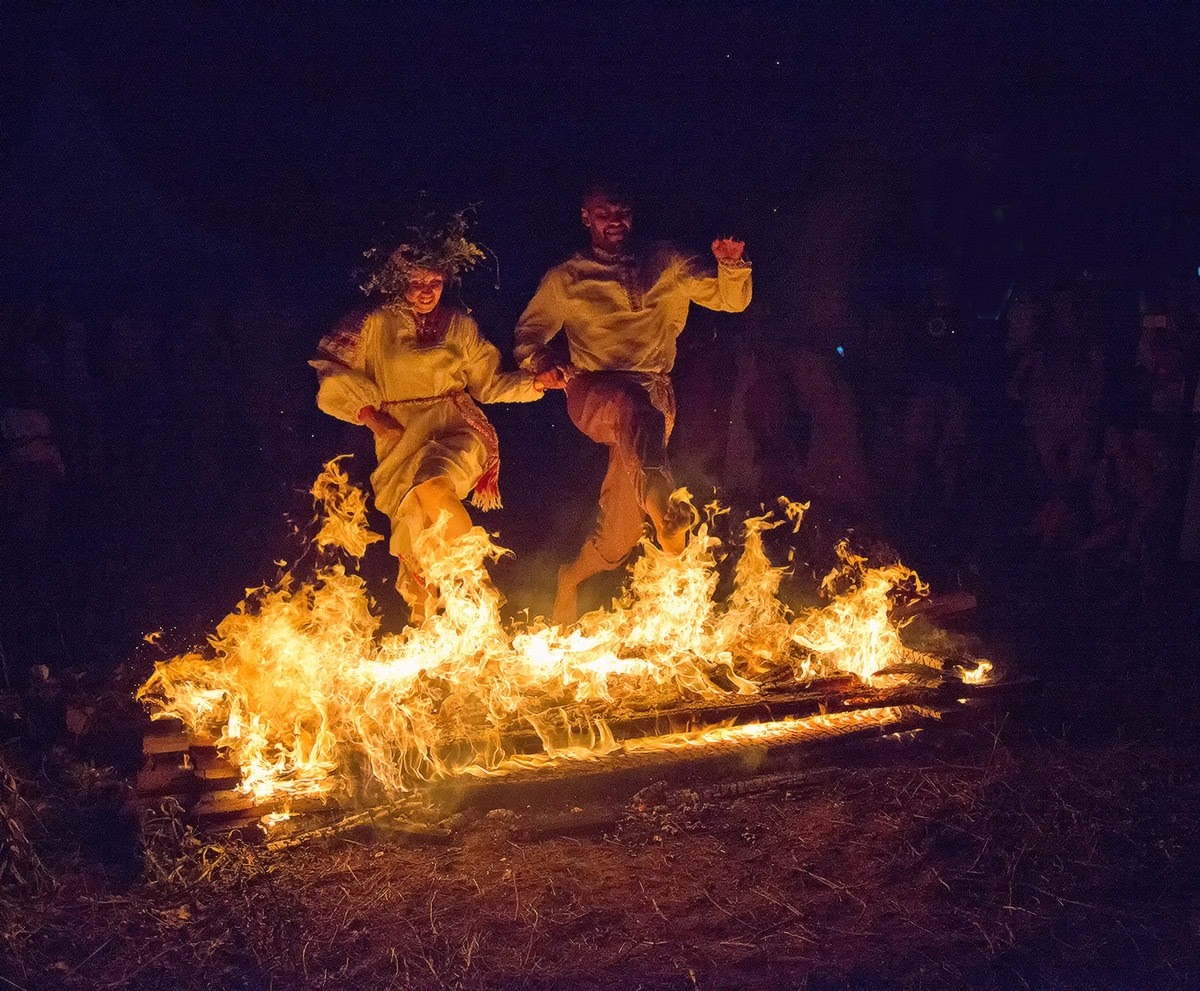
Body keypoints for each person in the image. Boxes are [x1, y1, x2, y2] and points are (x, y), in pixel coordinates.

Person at [514, 181, 752, 624]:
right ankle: (667, 511)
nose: (615, 221)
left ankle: (577, 578)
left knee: (621, 533)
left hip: (656, 392)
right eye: (605, 213)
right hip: (593, 391)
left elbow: (730, 301)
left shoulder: (668, 261)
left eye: (622, 212)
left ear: (633, 215)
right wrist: (543, 360)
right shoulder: (567, 276)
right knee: (631, 408)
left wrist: (731, 266)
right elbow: (529, 336)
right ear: (587, 218)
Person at [310, 215, 555, 622]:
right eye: (416, 282)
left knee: (433, 485)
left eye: (435, 283)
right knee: (416, 544)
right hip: (399, 436)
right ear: (394, 279)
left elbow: (490, 384)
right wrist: (370, 415)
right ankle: (423, 635)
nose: (426, 293)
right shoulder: (371, 324)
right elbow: (330, 371)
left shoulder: (460, 326)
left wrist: (538, 384)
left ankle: (478, 589)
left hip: (453, 424)